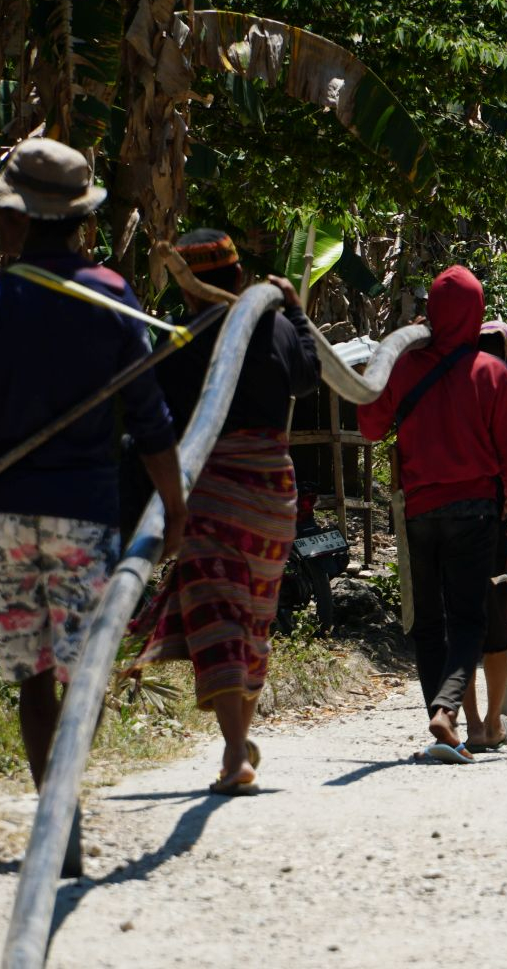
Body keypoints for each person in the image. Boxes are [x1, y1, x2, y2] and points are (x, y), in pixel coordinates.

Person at [0, 137, 187, 876]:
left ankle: (53, 808)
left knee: (35, 673)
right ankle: (63, 802)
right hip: (84, 514)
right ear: (78, 220)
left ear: (19, 221)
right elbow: (150, 416)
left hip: (3, 512)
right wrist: (174, 505)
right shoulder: (110, 294)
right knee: (81, 670)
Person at [128, 229, 319, 795]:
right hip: (270, 494)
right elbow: (308, 378)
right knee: (253, 615)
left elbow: (151, 424)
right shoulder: (277, 326)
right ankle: (239, 741)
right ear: (239, 278)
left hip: (211, 491)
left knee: (218, 615)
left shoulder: (181, 340)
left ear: (187, 291)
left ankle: (236, 750)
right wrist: (299, 314)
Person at [358, 267, 507, 763]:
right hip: (474, 512)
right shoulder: (491, 371)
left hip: (420, 510)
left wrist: (382, 365)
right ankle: (447, 709)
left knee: (429, 622)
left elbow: (371, 426)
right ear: (476, 312)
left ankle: (442, 722)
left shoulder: (408, 366)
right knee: (469, 621)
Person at [458, 320, 507, 751]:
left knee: (462, 627)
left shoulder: (455, 395)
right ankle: (491, 722)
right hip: (497, 529)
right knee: (495, 629)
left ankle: (469, 723)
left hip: (453, 526)